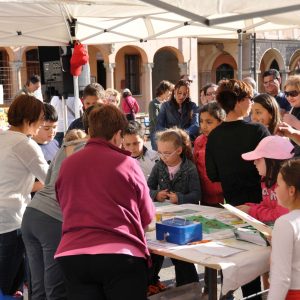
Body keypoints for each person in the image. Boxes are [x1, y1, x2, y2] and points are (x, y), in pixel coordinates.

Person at [55, 105, 155, 300]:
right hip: (120, 256)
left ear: (91, 131)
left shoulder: (68, 163)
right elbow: (147, 216)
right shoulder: (127, 164)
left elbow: (62, 203)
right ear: (118, 135)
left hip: (73, 255)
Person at [205, 79, 270, 299]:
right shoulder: (257, 130)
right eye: (250, 99)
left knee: (237, 263)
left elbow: (213, 175)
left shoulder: (213, 136)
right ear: (240, 101)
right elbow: (273, 166)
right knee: (262, 267)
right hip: (261, 208)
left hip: (232, 206)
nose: (252, 103)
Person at [21, 129, 87, 300]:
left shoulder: (65, 147)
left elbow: (48, 181)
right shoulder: (92, 151)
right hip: (53, 218)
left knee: (38, 285)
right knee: (55, 286)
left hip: (32, 213)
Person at [0, 95, 48, 296]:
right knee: (9, 285)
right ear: (28, 121)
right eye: (39, 121)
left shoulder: (3, 138)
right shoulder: (25, 144)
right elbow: (51, 178)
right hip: (12, 221)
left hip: (6, 218)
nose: (41, 126)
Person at [147, 129, 201, 288]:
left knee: (181, 256)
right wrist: (156, 194)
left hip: (183, 219)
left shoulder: (189, 168)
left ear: (179, 150)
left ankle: (188, 288)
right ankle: (151, 284)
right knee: (156, 252)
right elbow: (146, 189)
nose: (163, 157)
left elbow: (196, 194)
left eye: (167, 153)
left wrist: (180, 198)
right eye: (160, 153)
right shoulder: (159, 166)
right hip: (162, 217)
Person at [237, 136, 293, 222]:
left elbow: (280, 215)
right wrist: (250, 207)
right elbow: (268, 205)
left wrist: (251, 211)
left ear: (273, 162)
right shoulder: (266, 178)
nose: (254, 162)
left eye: (258, 159)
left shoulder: (288, 184)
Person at [267, 158, 300, 300]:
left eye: (279, 184)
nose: (275, 188)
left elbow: (281, 278)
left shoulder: (285, 223)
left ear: (291, 190)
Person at [194, 101, 225, 206]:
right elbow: (195, 166)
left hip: (224, 196)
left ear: (221, 122)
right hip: (204, 195)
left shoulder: (226, 141)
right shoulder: (199, 141)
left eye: (209, 122)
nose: (203, 126)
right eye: (201, 121)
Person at [148, 80, 173, 150]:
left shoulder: (166, 103)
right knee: (157, 154)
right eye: (169, 91)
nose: (170, 93)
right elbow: (155, 120)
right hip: (156, 133)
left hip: (165, 133)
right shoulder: (153, 103)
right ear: (163, 91)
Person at [283, 75, 300, 156]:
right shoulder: (293, 108)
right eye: (286, 94)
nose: (289, 97)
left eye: (293, 93)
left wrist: (295, 122)